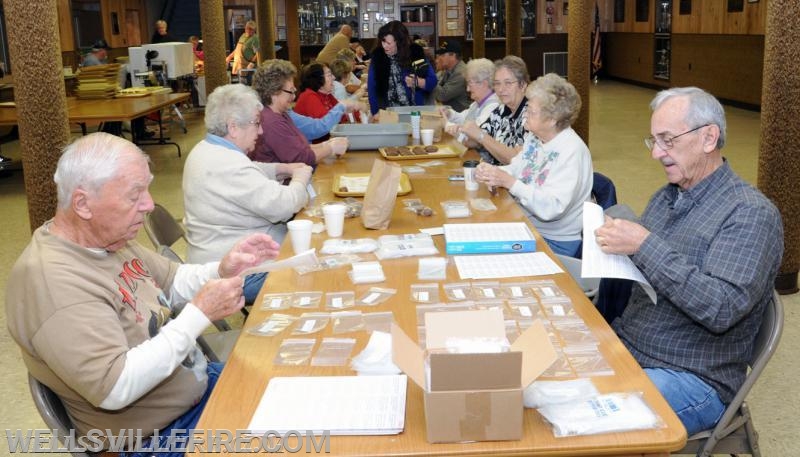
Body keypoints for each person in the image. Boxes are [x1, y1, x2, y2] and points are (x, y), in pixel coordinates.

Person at [5, 132, 279, 454]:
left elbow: (173, 280)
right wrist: (199, 314)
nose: (149, 204)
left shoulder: (107, 239)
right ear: (82, 203)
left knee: (295, 384)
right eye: (135, 195)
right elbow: (115, 387)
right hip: (154, 437)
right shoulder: (51, 281)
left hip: (191, 389)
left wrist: (222, 269)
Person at [594, 87, 784, 435]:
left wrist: (643, 244)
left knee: (584, 421)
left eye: (667, 139)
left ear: (709, 138)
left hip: (692, 376)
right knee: (544, 376)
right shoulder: (666, 196)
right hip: (632, 346)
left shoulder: (750, 214)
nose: (656, 153)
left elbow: (721, 308)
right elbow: (650, 273)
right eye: (652, 140)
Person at [183, 84, 311, 304]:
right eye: (256, 124)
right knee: (314, 272)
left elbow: (251, 172)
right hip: (236, 272)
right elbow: (284, 205)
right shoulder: (228, 164)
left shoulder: (206, 149)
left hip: (216, 256)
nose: (260, 131)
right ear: (233, 127)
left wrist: (282, 168)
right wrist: (300, 178)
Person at [474, 73, 592, 257]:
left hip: (555, 240)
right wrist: (494, 172)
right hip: (525, 223)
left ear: (552, 119)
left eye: (531, 112)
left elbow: (552, 208)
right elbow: (517, 167)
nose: (525, 116)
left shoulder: (571, 151)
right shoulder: (536, 137)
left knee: (484, 251)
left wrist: (510, 182)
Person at [249, 59, 352, 166]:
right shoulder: (271, 121)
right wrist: (330, 148)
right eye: (290, 92)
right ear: (274, 91)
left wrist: (327, 144)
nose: (293, 97)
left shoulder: (281, 113)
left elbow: (301, 148)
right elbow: (301, 158)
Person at [460, 55, 531, 165]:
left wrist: (481, 136)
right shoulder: (501, 110)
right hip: (494, 174)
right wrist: (463, 134)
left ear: (522, 85)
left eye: (508, 83)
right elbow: (477, 140)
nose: (501, 89)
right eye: (497, 83)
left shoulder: (531, 115)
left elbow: (516, 160)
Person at [367, 21, 437, 118]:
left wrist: (418, 82)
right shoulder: (378, 57)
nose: (384, 46)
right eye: (383, 42)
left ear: (400, 42)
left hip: (415, 112)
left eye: (388, 43)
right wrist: (375, 112)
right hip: (388, 113)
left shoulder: (415, 53)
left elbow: (432, 81)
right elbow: (372, 88)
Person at [294, 62, 356, 138]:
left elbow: (344, 115)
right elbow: (326, 126)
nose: (333, 77)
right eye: (329, 75)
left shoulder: (327, 95)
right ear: (317, 79)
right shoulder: (309, 96)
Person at [442, 58, 500, 139]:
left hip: (478, 151)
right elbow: (464, 119)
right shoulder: (477, 103)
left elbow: (470, 136)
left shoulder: (493, 107)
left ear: (483, 84)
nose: (467, 89)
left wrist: (446, 124)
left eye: (470, 84)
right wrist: (449, 114)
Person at [432, 40, 471, 112]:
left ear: (453, 55)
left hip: (460, 114)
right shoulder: (449, 69)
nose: (440, 58)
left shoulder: (460, 72)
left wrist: (430, 80)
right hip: (451, 111)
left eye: (443, 55)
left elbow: (442, 96)